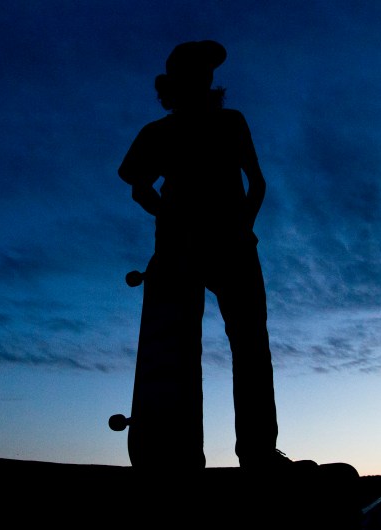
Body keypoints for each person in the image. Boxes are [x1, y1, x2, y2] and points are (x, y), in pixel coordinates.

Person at [118, 40, 295, 470]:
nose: (207, 78)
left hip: (232, 246)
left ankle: (257, 452)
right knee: (179, 348)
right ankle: (177, 455)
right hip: (182, 249)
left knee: (252, 346)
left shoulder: (231, 123)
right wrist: (168, 215)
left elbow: (256, 182)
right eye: (198, 72)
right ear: (177, 82)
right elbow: (136, 182)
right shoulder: (159, 133)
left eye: (208, 72)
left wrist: (244, 225)